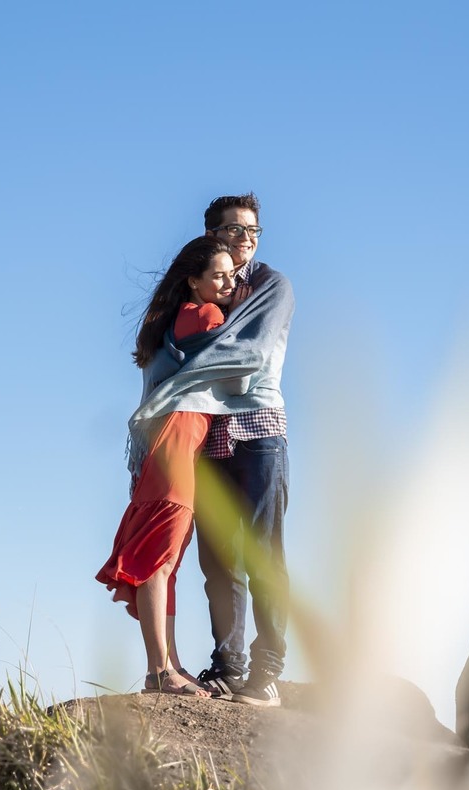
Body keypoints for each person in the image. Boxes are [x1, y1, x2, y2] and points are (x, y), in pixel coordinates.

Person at [96, 236, 250, 696]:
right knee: (159, 565)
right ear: (194, 282)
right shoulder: (205, 316)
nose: (228, 283)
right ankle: (158, 673)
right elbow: (241, 372)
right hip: (177, 449)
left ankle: (169, 665)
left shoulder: (172, 322)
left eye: (232, 275)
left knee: (165, 563)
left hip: (168, 448)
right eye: (218, 276)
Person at [191, 193, 294, 708]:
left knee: (263, 556)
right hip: (206, 434)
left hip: (259, 431)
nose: (246, 238)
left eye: (253, 230)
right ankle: (228, 666)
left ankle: (268, 670)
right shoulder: (199, 286)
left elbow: (246, 355)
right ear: (212, 234)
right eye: (234, 230)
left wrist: (192, 356)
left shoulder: (271, 286)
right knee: (217, 559)